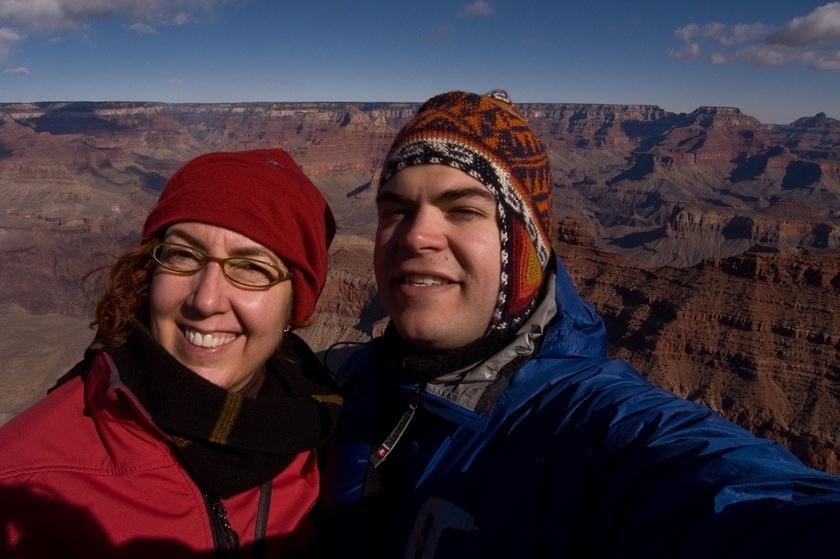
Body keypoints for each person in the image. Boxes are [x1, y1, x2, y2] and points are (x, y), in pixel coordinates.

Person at [321, 90, 840, 557]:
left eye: (463, 211)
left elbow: (739, 498)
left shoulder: (588, 427)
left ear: (525, 245)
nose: (416, 237)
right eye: (395, 210)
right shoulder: (337, 386)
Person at [0, 149, 341, 557]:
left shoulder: (323, 438)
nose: (206, 300)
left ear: (295, 307)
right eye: (184, 255)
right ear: (150, 271)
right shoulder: (22, 485)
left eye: (252, 267)